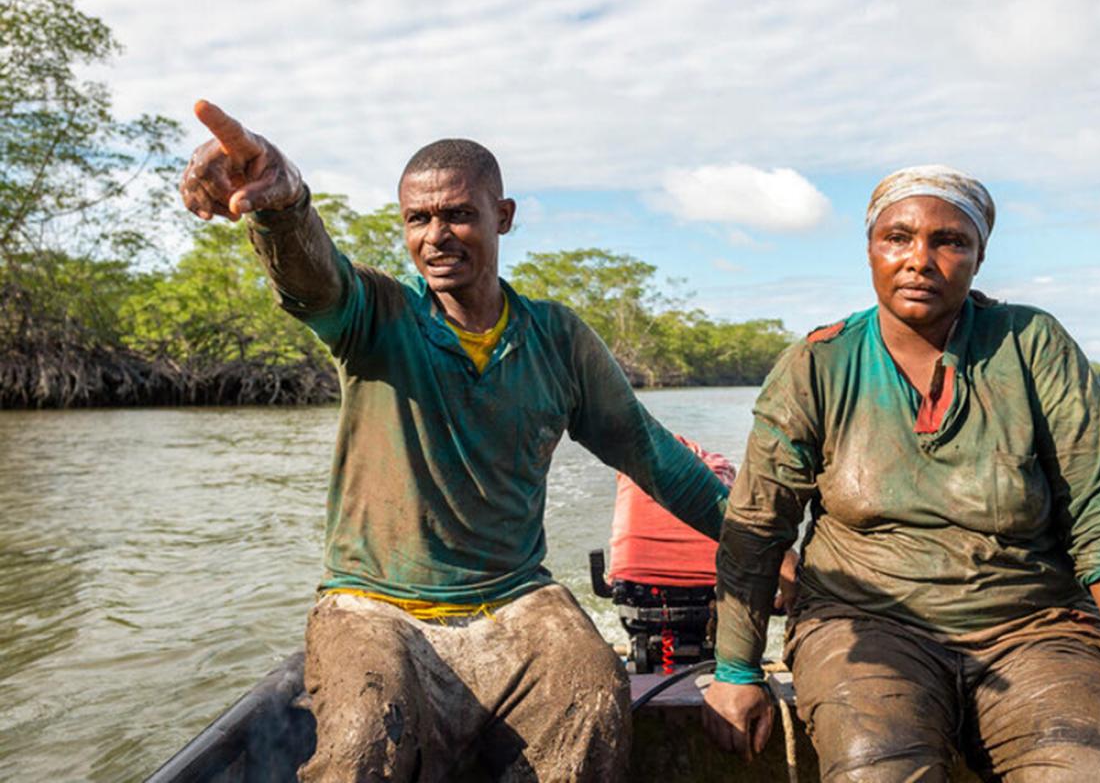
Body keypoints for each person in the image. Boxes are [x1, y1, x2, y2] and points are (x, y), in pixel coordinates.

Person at [178, 100, 731, 782]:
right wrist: (281, 197)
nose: (437, 235)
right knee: (359, 742)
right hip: (374, 604)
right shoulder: (375, 316)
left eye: (459, 214)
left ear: (503, 216)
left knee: (593, 693)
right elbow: (311, 275)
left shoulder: (556, 338)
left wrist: (756, 547)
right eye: (418, 219)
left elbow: (653, 457)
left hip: (516, 600)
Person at [701, 165, 1100, 782]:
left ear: (979, 257)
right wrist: (737, 672)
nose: (920, 260)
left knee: (1097, 772)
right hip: (864, 624)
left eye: (950, 241)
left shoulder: (1032, 344)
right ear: (870, 250)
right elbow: (756, 525)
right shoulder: (818, 364)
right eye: (898, 238)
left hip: (1036, 629)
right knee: (875, 770)